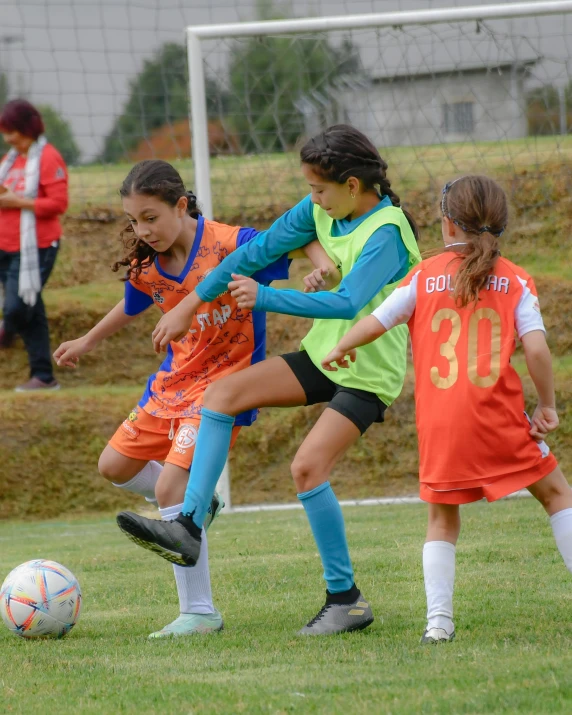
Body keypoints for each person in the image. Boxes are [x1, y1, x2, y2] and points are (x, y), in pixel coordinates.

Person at [115, 124, 422, 636]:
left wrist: (267, 298)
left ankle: (346, 600)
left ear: (351, 185)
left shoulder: (387, 231)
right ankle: (189, 525)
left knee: (306, 469)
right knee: (223, 394)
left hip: (368, 372)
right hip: (324, 355)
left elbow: (347, 304)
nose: (312, 199)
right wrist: (192, 304)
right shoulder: (322, 211)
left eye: (319, 189)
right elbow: (248, 257)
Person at [54, 159, 335, 639]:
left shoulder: (232, 244)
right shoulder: (148, 264)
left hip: (222, 388)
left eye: (151, 217)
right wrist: (86, 341)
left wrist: (321, 265)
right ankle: (198, 503)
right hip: (172, 383)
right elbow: (132, 304)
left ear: (180, 205)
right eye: (133, 221)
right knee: (113, 466)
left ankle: (200, 612)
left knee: (169, 492)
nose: (142, 230)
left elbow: (296, 233)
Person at [321, 174, 572, 644]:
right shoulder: (516, 279)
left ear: (447, 223)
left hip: (440, 423)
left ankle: (439, 624)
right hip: (497, 415)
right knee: (557, 495)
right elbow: (536, 350)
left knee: (441, 520)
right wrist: (548, 406)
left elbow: (377, 320)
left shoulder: (423, 276)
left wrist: (341, 347)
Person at [0, 99, 68, 391]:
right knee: (32, 307)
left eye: (11, 131)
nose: (7, 138)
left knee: (17, 307)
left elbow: (58, 203)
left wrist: (19, 202)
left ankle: (5, 332)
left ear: (26, 128)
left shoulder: (49, 157)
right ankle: (43, 375)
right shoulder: (9, 160)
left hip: (37, 246)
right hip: (5, 245)